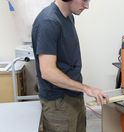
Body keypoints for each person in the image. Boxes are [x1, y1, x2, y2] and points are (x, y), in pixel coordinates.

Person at [32, 0, 108, 131]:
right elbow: (48, 72)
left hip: (73, 95)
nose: (87, 6)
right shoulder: (49, 22)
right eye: (84, 0)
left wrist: (80, 90)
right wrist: (86, 88)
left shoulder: (69, 17)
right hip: (58, 102)